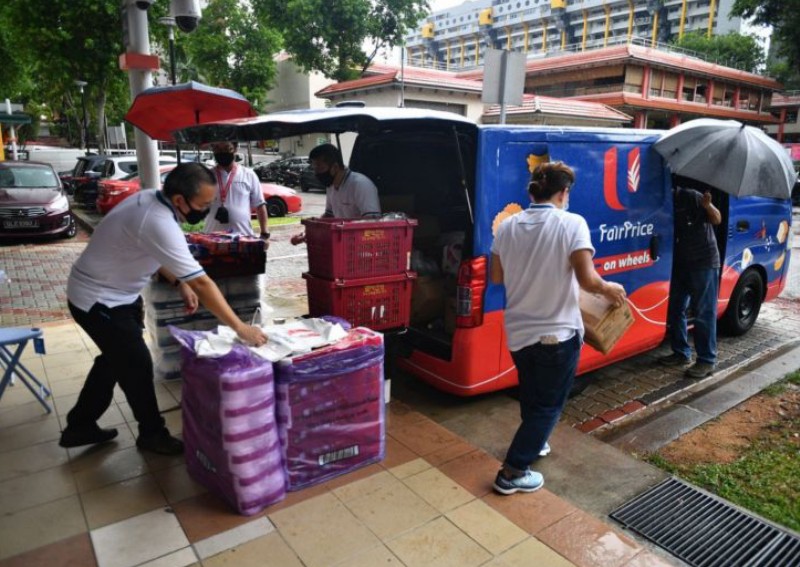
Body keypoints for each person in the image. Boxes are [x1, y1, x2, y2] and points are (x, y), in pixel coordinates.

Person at [59, 163, 268, 455]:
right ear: (180, 199)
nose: (206, 211)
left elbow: (154, 249)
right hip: (98, 300)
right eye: (203, 205)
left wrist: (179, 280)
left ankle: (79, 425)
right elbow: (203, 284)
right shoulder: (156, 219)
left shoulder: (153, 200)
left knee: (116, 359)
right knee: (137, 365)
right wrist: (241, 327)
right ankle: (152, 434)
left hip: (117, 295)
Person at [490, 161, 626, 495]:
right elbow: (588, 280)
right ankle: (512, 472)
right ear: (564, 192)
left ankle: (534, 444)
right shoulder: (571, 223)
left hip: (519, 332)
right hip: (556, 334)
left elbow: (497, 276)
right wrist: (609, 288)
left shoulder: (507, 226)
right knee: (549, 405)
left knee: (532, 393)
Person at [658, 182, 721, 379]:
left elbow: (717, 219)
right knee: (676, 308)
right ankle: (681, 352)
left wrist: (708, 206)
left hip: (704, 262)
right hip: (681, 262)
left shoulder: (692, 196)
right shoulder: (662, 204)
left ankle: (707, 360)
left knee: (703, 312)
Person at [290, 143, 380, 245]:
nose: (316, 173)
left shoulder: (360, 184)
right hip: (342, 242)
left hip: (362, 244)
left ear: (335, 167)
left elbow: (373, 221)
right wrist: (307, 234)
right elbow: (329, 216)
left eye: (320, 168)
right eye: (315, 169)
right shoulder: (331, 186)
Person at [203, 141, 270, 244]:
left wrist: (265, 234)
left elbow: (260, 205)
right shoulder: (206, 176)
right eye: (217, 149)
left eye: (226, 148)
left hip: (243, 240)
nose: (222, 152)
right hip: (212, 241)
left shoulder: (249, 174)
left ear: (235, 149)